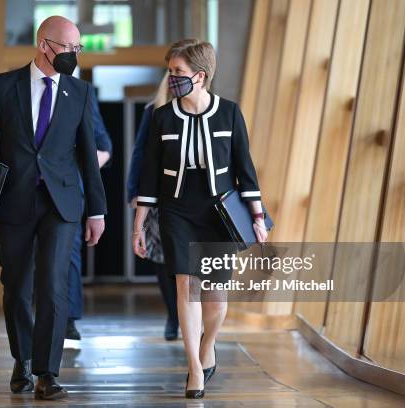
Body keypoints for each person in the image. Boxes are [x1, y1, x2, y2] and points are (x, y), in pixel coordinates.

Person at [0, 16, 107, 400]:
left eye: (78, 49)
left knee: (54, 285)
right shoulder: (4, 87)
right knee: (17, 286)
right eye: (69, 48)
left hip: (62, 203)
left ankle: (47, 373)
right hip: (13, 201)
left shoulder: (81, 93)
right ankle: (22, 361)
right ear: (44, 46)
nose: (74, 55)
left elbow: (89, 157)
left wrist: (97, 211)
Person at [132, 39, 268, 399]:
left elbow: (246, 172)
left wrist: (257, 217)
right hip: (177, 209)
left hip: (217, 211)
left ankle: (208, 344)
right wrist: (139, 226)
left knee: (216, 300)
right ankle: (194, 365)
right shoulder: (161, 117)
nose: (171, 77)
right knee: (186, 288)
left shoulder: (230, 114)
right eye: (170, 70)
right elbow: (148, 178)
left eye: (177, 72)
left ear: (200, 75)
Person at [127, 73, 179, 341]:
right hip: (158, 196)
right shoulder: (154, 111)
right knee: (162, 259)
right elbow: (140, 152)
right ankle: (173, 315)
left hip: (191, 198)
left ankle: (190, 315)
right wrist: (133, 192)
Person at [66, 89, 112, 340]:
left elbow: (104, 147)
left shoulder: (80, 95)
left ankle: (68, 321)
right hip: (28, 191)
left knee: (69, 253)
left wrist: (74, 171)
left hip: (69, 191)